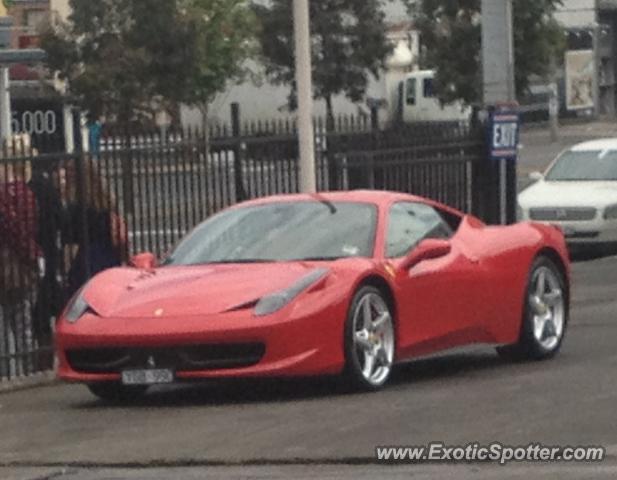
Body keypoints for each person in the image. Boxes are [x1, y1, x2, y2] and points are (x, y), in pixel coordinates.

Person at [0, 156, 42, 378]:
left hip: (10, 268)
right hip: (19, 268)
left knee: (6, 327)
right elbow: (25, 229)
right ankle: (26, 369)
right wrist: (33, 257)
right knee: (22, 321)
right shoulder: (25, 195)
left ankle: (7, 373)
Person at [64, 157, 127, 298]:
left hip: (86, 261)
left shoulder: (76, 206)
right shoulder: (106, 200)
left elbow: (71, 241)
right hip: (109, 257)